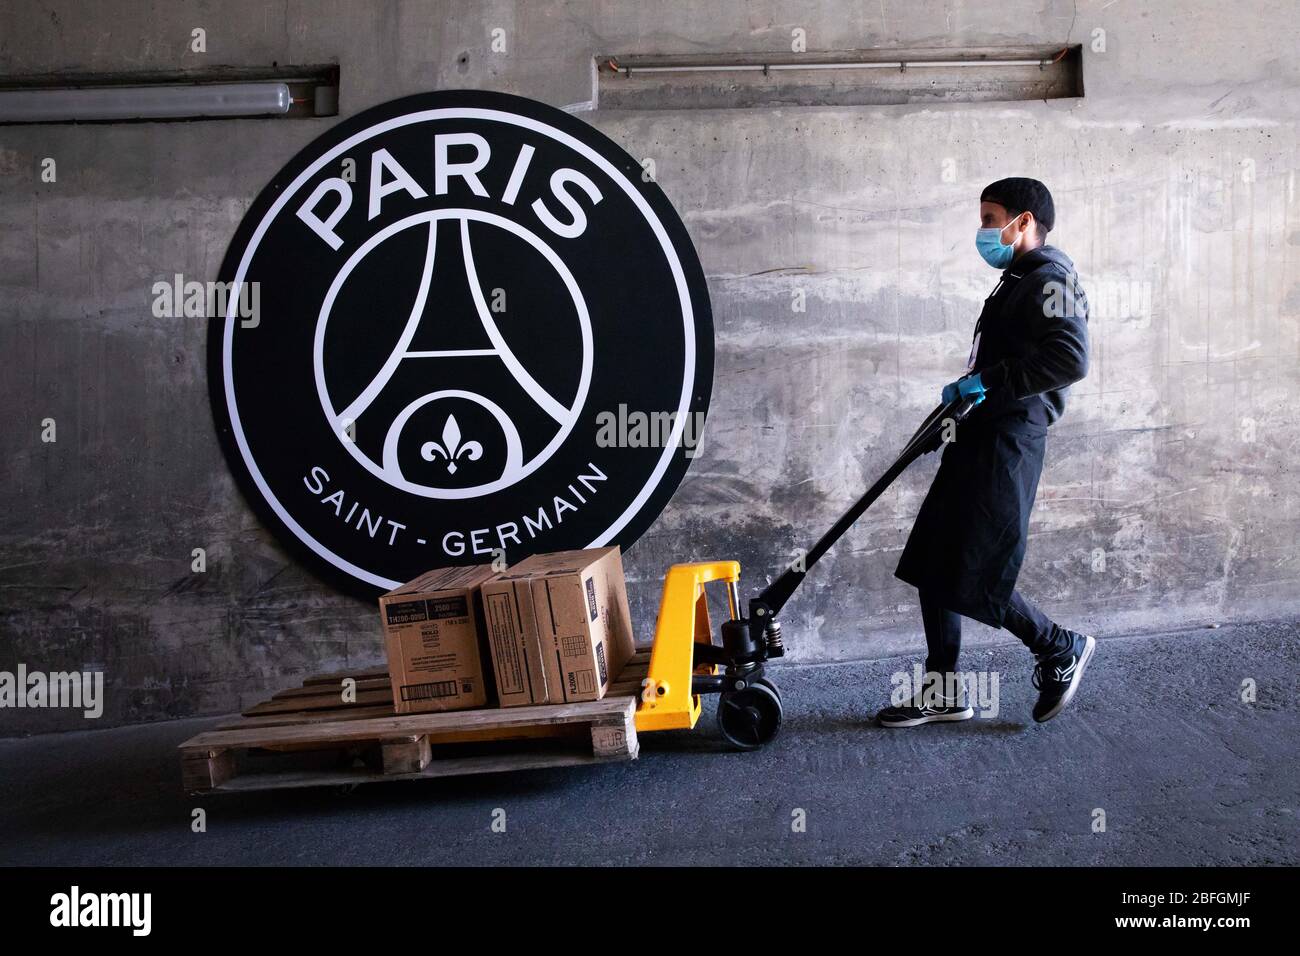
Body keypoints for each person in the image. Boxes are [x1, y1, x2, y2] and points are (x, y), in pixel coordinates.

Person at [879, 177, 1094, 727]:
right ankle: (945, 689)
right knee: (935, 556)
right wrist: (972, 386)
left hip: (1009, 441)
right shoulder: (1016, 278)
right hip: (980, 430)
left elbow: (1070, 359)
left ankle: (1058, 646)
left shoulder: (1052, 277)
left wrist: (989, 381)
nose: (983, 230)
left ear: (1024, 222)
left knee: (977, 564)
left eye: (990, 218)